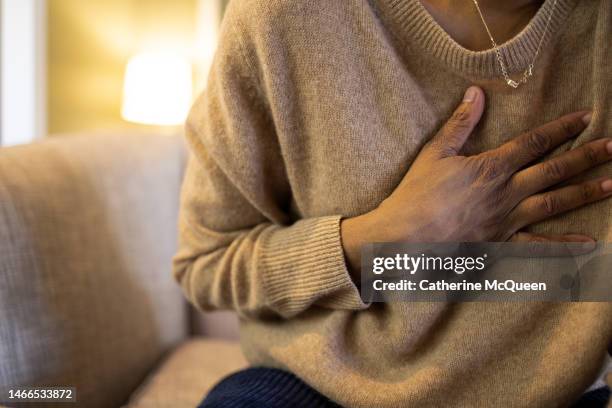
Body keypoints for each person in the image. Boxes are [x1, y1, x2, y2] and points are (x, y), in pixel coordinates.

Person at [172, 0, 612, 406]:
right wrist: (382, 240)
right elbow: (207, 262)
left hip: (560, 394)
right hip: (318, 388)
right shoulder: (283, 18)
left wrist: (470, 259)